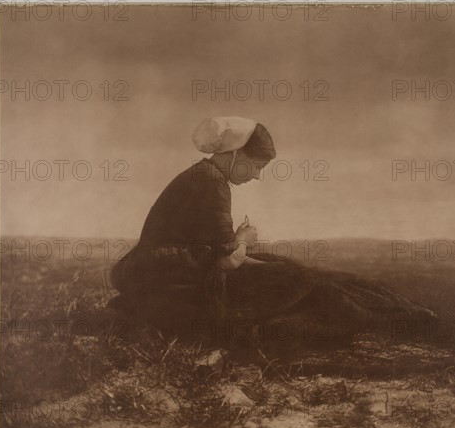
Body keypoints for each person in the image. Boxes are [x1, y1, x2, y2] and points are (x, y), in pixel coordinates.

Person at [110, 116, 435, 352]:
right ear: (235, 154)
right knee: (300, 282)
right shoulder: (212, 184)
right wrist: (244, 240)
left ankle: (387, 315)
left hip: (163, 271)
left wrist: (245, 247)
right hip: (171, 279)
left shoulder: (202, 176)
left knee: (286, 270)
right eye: (256, 165)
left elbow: (213, 250)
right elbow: (227, 262)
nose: (257, 175)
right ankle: (396, 320)